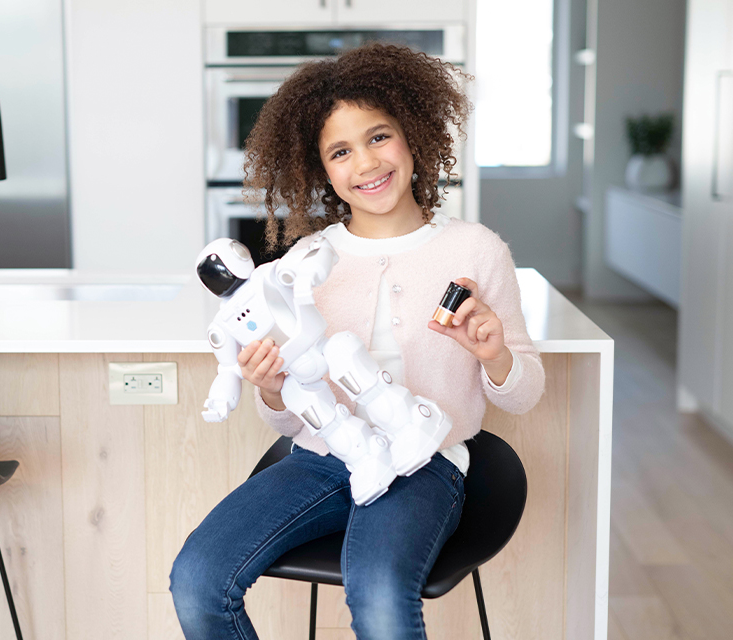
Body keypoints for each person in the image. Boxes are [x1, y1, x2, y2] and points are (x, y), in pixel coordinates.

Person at [170, 43, 546, 640]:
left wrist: (494, 354)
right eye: (341, 151)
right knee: (197, 577)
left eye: (379, 137)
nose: (366, 163)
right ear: (323, 170)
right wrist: (270, 390)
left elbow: (524, 396)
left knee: (377, 592)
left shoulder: (477, 250)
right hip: (323, 460)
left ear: (411, 138)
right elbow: (295, 421)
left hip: (426, 462)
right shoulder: (302, 264)